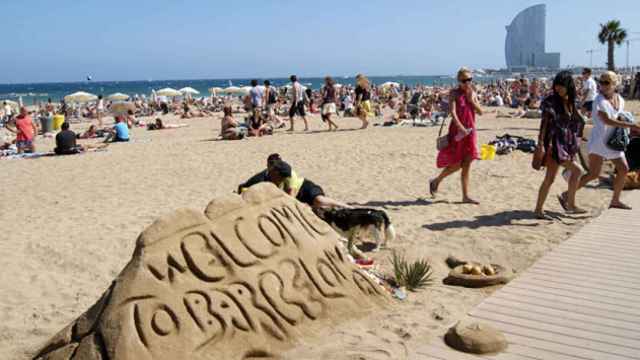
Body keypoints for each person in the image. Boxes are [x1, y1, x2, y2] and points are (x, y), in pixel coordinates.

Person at [569, 71, 640, 210]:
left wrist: (628, 123)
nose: (603, 85)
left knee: (623, 168)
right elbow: (606, 120)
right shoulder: (598, 100)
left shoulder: (620, 99)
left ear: (614, 84)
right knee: (593, 174)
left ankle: (615, 200)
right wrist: (631, 125)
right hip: (599, 141)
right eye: (601, 82)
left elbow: (618, 116)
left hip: (613, 141)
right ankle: (567, 195)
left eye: (606, 82)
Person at [533, 71, 586, 219]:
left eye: (561, 85)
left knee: (550, 178)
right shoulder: (551, 102)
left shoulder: (570, 101)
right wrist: (540, 144)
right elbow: (543, 125)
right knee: (576, 171)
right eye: (556, 85)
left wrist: (579, 135)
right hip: (553, 145)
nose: (558, 88)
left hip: (565, 145)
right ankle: (570, 204)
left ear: (568, 85)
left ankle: (543, 209)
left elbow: (576, 121)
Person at [429, 67, 483, 204]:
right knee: (458, 163)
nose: (467, 83)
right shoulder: (454, 93)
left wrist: (472, 100)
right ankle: (436, 180)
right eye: (464, 80)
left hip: (470, 132)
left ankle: (465, 196)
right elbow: (453, 112)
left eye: (470, 79)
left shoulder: (473, 93)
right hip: (457, 131)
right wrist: (461, 128)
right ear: (459, 81)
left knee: (467, 163)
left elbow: (481, 112)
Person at [238, 154, 349, 209]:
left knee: (319, 201)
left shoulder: (289, 174)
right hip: (289, 198)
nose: (283, 179)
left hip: (304, 189)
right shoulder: (261, 179)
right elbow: (243, 189)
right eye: (281, 177)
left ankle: (347, 207)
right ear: (274, 172)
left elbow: (290, 198)